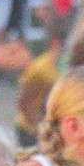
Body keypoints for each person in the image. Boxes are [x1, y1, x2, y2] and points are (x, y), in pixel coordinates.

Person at [14, 13, 69, 148]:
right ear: (56, 42)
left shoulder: (65, 65)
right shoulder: (39, 69)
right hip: (30, 129)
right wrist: (38, 126)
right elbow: (24, 102)